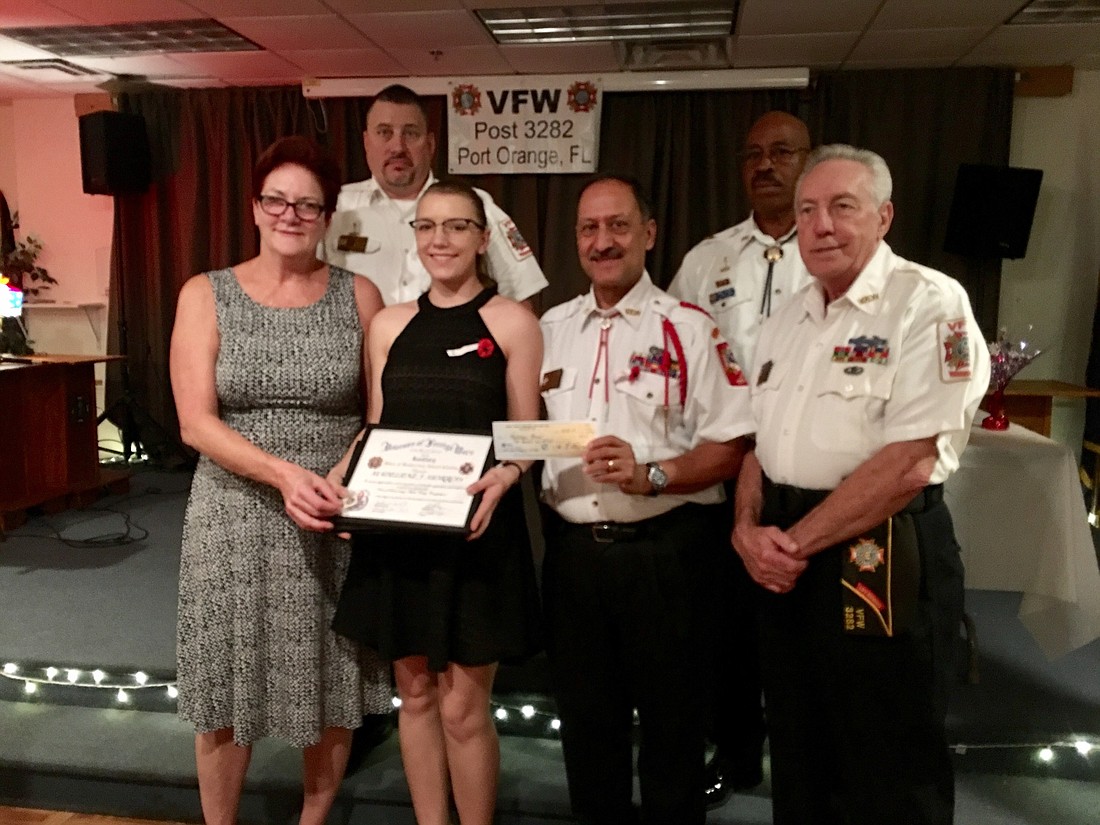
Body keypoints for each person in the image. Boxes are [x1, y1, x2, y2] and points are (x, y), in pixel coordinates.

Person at [732, 144, 990, 825]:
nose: (821, 225)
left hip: (877, 550)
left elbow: (907, 460)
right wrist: (745, 528)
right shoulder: (787, 316)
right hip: (787, 554)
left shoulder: (929, 303)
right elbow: (759, 443)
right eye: (807, 210)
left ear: (884, 216)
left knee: (890, 754)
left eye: (842, 207)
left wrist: (791, 544)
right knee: (798, 745)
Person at [169, 135, 390, 825]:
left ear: (327, 216)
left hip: (330, 509)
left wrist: (334, 475)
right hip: (232, 514)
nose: (290, 213)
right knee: (226, 682)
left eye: (307, 203)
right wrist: (282, 474)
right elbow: (195, 422)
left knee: (333, 677)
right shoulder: (205, 293)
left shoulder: (360, 294)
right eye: (277, 199)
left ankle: (313, 819)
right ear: (255, 207)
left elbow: (380, 414)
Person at [539, 174, 754, 825]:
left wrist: (652, 475)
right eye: (588, 228)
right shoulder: (549, 328)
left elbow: (732, 445)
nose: (602, 241)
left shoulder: (690, 329)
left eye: (618, 225)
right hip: (574, 558)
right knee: (586, 728)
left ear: (649, 233)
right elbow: (522, 432)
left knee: (673, 731)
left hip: (668, 557)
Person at [331, 179, 543, 825]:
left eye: (456, 226)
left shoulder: (512, 321)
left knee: (461, 707)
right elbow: (375, 428)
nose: (440, 240)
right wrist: (343, 484)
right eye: (427, 226)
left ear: (483, 239)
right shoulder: (390, 324)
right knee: (415, 696)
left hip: (477, 537)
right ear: (414, 237)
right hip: (398, 535)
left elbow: (527, 433)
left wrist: (507, 475)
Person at [667, 110, 813, 809]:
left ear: (807, 161)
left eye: (782, 151)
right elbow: (673, 362)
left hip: (809, 470)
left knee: (801, 626)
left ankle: (807, 762)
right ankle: (736, 752)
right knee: (723, 628)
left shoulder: (832, 248)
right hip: (725, 464)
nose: (766, 164)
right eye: (753, 153)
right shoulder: (707, 258)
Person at [322, 83, 548, 307]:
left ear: (430, 144)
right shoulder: (335, 206)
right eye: (384, 133)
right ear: (366, 142)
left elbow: (520, 298)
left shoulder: (472, 204)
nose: (397, 147)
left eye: (410, 133)